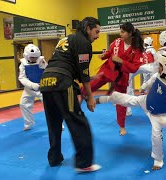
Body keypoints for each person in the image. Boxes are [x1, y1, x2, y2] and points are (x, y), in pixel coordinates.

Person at [96, 51, 166, 170]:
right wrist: (144, 86)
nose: (158, 67)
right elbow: (151, 81)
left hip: (157, 114)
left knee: (156, 135)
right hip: (146, 101)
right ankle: (106, 98)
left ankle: (158, 159)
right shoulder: (159, 75)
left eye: (160, 65)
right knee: (126, 99)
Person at [39, 17, 101, 172]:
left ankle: (54, 158)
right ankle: (84, 163)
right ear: (88, 28)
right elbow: (84, 72)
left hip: (46, 82)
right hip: (62, 82)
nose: (98, 35)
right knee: (78, 121)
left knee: (54, 123)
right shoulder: (84, 42)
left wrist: (88, 78)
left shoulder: (66, 39)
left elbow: (74, 69)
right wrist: (90, 96)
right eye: (96, 31)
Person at [80, 22, 145, 136]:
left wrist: (121, 61)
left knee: (121, 101)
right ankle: (79, 101)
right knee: (89, 86)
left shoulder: (136, 49)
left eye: (123, 32)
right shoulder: (117, 42)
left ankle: (122, 126)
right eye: (120, 31)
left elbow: (135, 67)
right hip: (108, 69)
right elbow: (110, 52)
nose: (120, 34)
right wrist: (104, 55)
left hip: (122, 76)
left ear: (130, 33)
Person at [19, 44, 48, 131]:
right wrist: (32, 85)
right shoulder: (23, 64)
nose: (34, 59)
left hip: (42, 88)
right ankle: (29, 123)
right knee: (23, 104)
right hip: (29, 88)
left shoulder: (42, 61)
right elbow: (22, 78)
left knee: (50, 105)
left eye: (35, 57)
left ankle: (58, 123)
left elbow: (47, 72)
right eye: (31, 57)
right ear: (26, 56)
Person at [126, 36, 157, 116]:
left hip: (142, 67)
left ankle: (129, 107)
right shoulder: (146, 50)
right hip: (148, 67)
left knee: (130, 83)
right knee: (150, 81)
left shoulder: (144, 50)